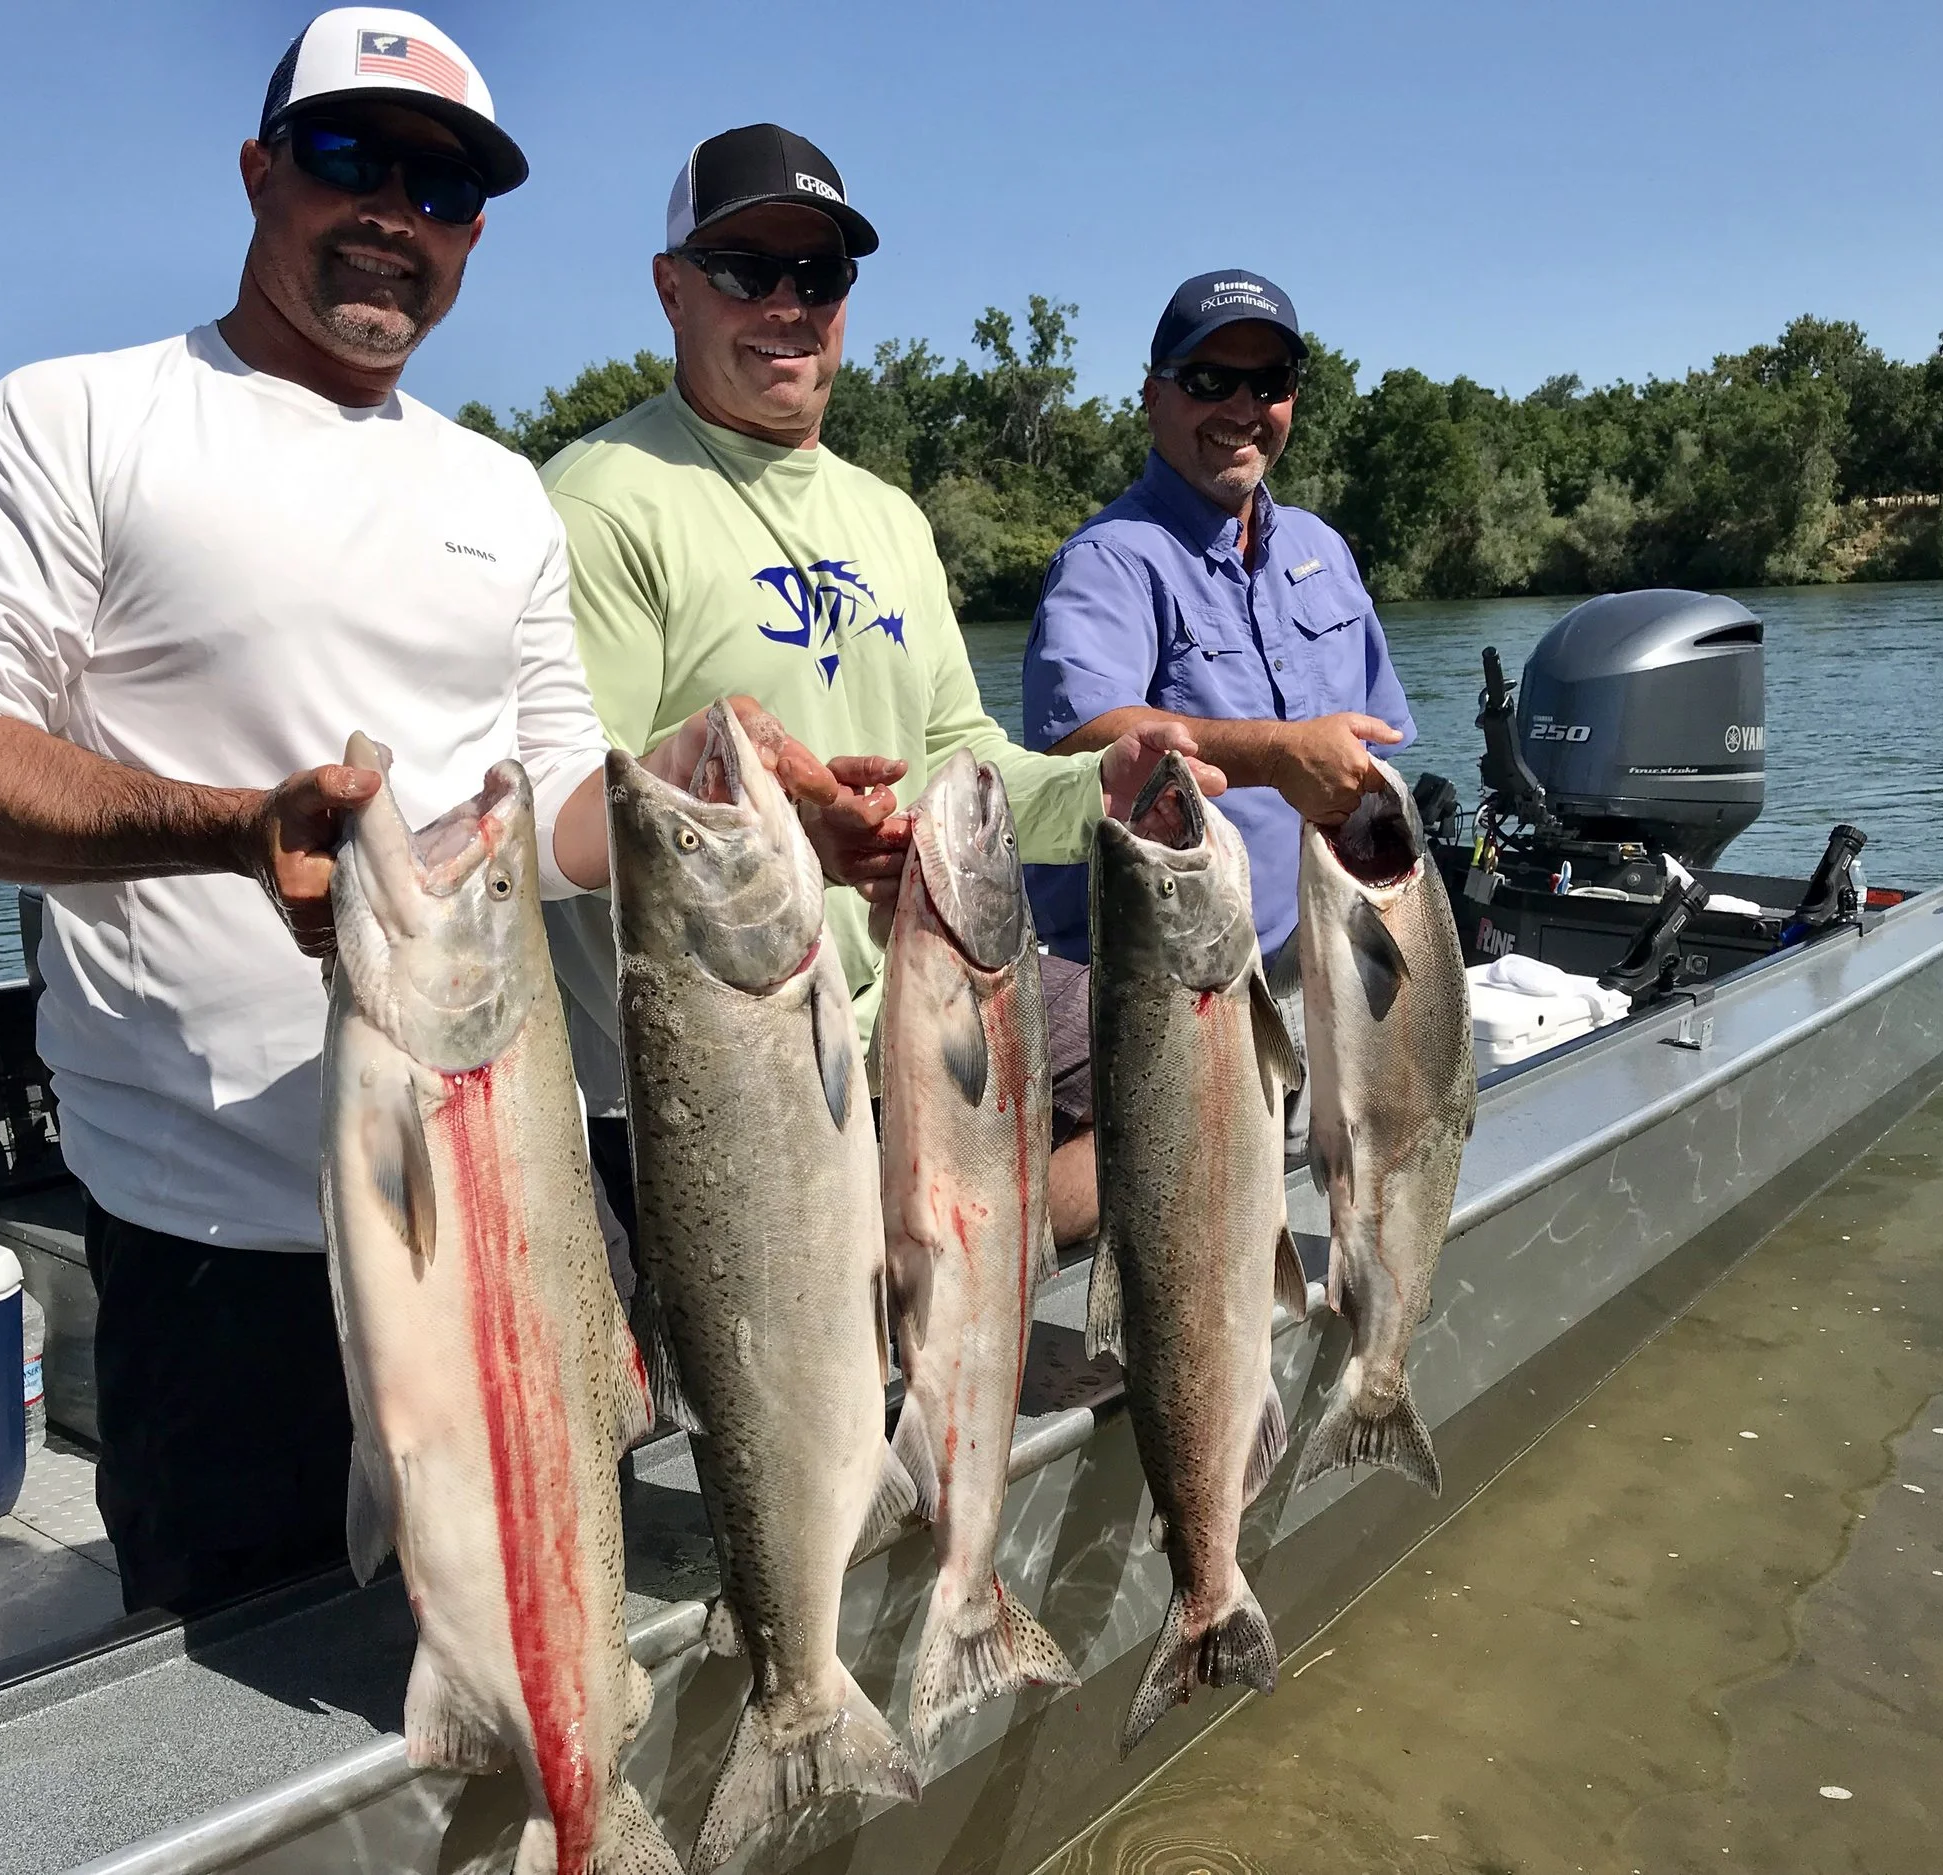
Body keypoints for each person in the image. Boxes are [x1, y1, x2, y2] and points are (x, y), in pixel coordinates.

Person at [0, 12, 827, 1615]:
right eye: (349, 156)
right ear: (259, 170)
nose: (395, 209)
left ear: (475, 234)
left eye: (442, 187)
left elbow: (563, 806)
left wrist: (693, 789)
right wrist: (232, 828)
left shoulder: (496, 493)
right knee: (268, 1689)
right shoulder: (73, 419)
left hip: (519, 1201)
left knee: (550, 1633)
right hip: (226, 1243)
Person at [537, 124, 1218, 1248]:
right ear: (671, 290)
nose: (787, 304)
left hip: (913, 992)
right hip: (728, 1053)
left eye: (819, 275)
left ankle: (958, 1268)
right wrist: (805, 841)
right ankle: (945, 1272)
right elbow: (579, 821)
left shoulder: (889, 517)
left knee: (1199, 1061)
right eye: (746, 270)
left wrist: (1098, 782)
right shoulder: (598, 506)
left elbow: (963, 753)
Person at [1019, 269, 1418, 1154]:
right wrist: (1278, 753)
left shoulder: (1323, 550)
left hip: (1320, 971)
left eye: (1266, 383)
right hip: (1157, 986)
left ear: (1292, 403)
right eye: (1209, 381)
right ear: (1155, 395)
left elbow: (1380, 761)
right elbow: (1078, 744)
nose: (1241, 405)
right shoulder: (1108, 562)